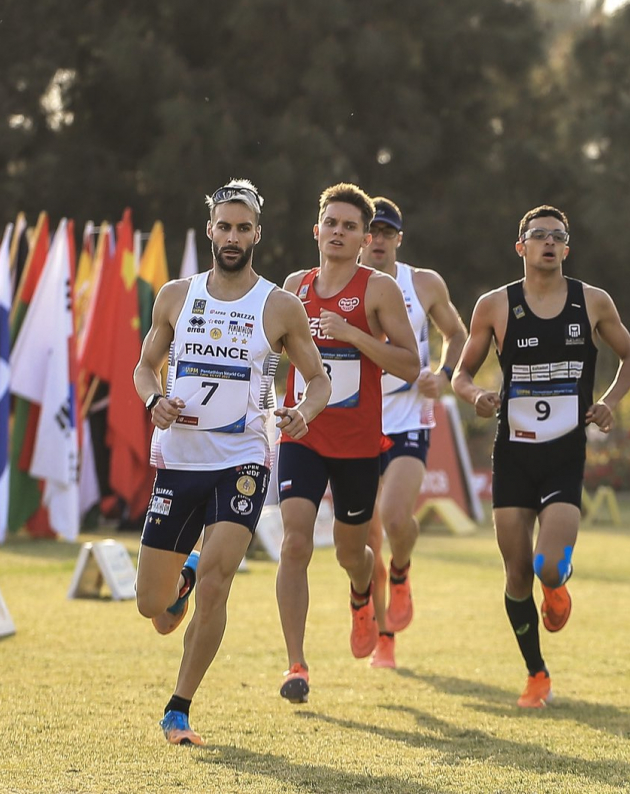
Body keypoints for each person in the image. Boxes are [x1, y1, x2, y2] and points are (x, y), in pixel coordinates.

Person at [133, 179, 331, 744]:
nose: (233, 236)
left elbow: (318, 380)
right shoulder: (175, 295)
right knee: (155, 607)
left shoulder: (279, 305)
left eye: (244, 228)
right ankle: (182, 577)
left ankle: (179, 708)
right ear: (210, 230)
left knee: (219, 582)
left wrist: (302, 413)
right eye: (225, 226)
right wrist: (155, 400)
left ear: (257, 235)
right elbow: (145, 366)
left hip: (243, 458)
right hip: (180, 461)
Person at [450, 205, 630, 708]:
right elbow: (460, 375)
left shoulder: (593, 302)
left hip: (564, 454)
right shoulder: (494, 306)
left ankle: (557, 586)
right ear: (522, 248)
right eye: (539, 236)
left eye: (558, 237)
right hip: (513, 454)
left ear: (567, 248)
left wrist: (609, 403)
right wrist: (477, 398)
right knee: (516, 574)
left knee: (548, 566)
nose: (549, 244)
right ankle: (536, 674)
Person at [275, 183, 419, 703]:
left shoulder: (378, 290)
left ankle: (363, 595)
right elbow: (273, 356)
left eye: (350, 226)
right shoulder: (294, 286)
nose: (338, 232)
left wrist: (353, 335)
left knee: (351, 552)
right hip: (303, 435)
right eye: (331, 223)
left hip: (358, 445)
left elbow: (409, 363)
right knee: (294, 542)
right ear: (316, 230)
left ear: (363, 238)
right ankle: (296, 664)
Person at [356, 196, 468, 668]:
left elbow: (458, 335)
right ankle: (384, 634)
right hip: (356, 419)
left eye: (387, 233)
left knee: (396, 518)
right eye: (372, 231)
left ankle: (401, 574)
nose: (378, 240)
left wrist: (442, 377)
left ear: (398, 239)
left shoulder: (422, 283)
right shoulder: (339, 281)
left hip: (408, 416)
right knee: (366, 540)